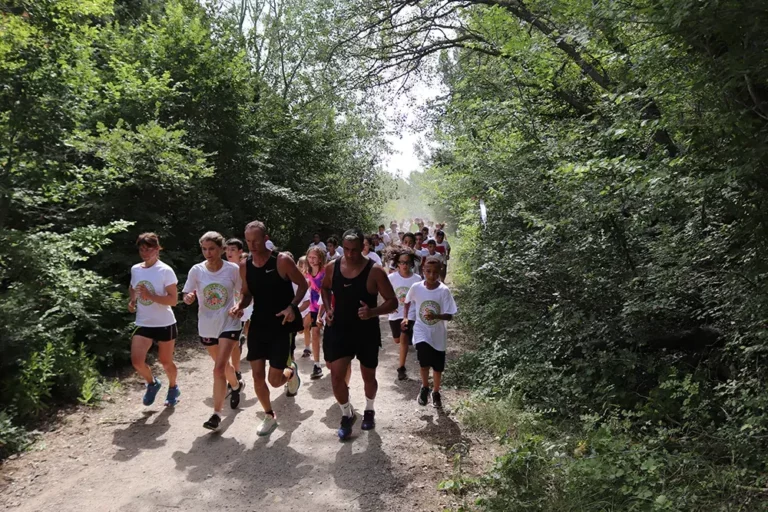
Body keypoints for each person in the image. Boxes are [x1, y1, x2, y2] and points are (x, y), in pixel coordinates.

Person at [231, 221, 308, 436]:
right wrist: (239, 306)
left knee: (274, 381)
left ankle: (291, 374)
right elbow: (247, 294)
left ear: (266, 238)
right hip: (258, 324)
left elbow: (303, 285)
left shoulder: (282, 261)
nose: (252, 245)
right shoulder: (245, 265)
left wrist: (292, 307)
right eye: (248, 241)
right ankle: (269, 415)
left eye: (256, 240)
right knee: (256, 375)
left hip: (281, 325)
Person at [321, 229, 397, 440]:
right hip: (339, 328)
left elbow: (392, 301)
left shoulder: (375, 271)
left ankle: (369, 409)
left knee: (368, 376)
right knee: (336, 376)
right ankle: (347, 414)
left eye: (354, 250)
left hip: (365, 330)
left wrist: (372, 312)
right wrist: (328, 309)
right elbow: (325, 289)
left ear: (363, 247)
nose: (350, 254)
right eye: (346, 249)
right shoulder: (332, 267)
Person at [183, 232, 244, 430]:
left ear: (222, 249)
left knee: (218, 369)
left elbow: (244, 291)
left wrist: (240, 305)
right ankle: (236, 385)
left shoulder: (232, 269)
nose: (208, 253)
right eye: (204, 249)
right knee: (223, 367)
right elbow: (187, 292)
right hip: (207, 325)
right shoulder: (197, 270)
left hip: (229, 322)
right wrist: (189, 297)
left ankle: (216, 415)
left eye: (212, 249)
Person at [129, 233, 180, 407]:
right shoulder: (135, 269)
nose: (144, 252)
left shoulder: (165, 270)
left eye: (148, 249)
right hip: (143, 322)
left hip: (165, 323)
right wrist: (132, 301)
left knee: (165, 362)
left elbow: (173, 300)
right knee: (137, 361)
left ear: (157, 249)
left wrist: (150, 295)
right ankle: (152, 383)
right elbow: (132, 288)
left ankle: (173, 387)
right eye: (141, 249)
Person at [403, 257, 457, 409]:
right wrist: (406, 318)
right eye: (428, 271)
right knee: (424, 361)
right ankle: (425, 387)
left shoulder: (444, 291)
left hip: (438, 334)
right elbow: (407, 301)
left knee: (438, 367)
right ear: (423, 271)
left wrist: (436, 316)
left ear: (440, 272)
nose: (432, 275)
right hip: (421, 331)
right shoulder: (416, 287)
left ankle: (436, 392)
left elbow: (450, 315)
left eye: (435, 272)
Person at [386, 246, 422, 381]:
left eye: (407, 262)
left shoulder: (417, 279)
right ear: (397, 264)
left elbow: (420, 296)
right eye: (402, 262)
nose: (404, 265)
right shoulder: (391, 278)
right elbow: (385, 292)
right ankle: (404, 347)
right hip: (395, 313)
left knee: (404, 338)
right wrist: (389, 305)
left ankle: (401, 368)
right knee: (397, 340)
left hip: (410, 313)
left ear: (411, 263)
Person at [225, 238, 248, 382]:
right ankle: (232, 371)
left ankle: (237, 372)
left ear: (240, 252)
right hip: (225, 311)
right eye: (227, 249)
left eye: (232, 249)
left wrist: (241, 305)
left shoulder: (245, 267)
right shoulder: (221, 267)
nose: (229, 252)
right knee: (231, 343)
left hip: (244, 307)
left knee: (234, 342)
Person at [306, 246, 327, 379]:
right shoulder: (307, 271)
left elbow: (325, 292)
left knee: (328, 334)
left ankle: (331, 359)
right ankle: (317, 364)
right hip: (314, 306)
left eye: (314, 257)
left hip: (326, 305)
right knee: (314, 332)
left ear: (320, 259)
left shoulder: (325, 272)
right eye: (309, 257)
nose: (311, 260)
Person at [297, 256, 313, 359]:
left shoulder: (311, 277)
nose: (303, 266)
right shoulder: (294, 276)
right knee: (300, 330)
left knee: (306, 328)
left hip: (309, 304)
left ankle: (307, 348)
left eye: (305, 264)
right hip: (299, 304)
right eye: (301, 264)